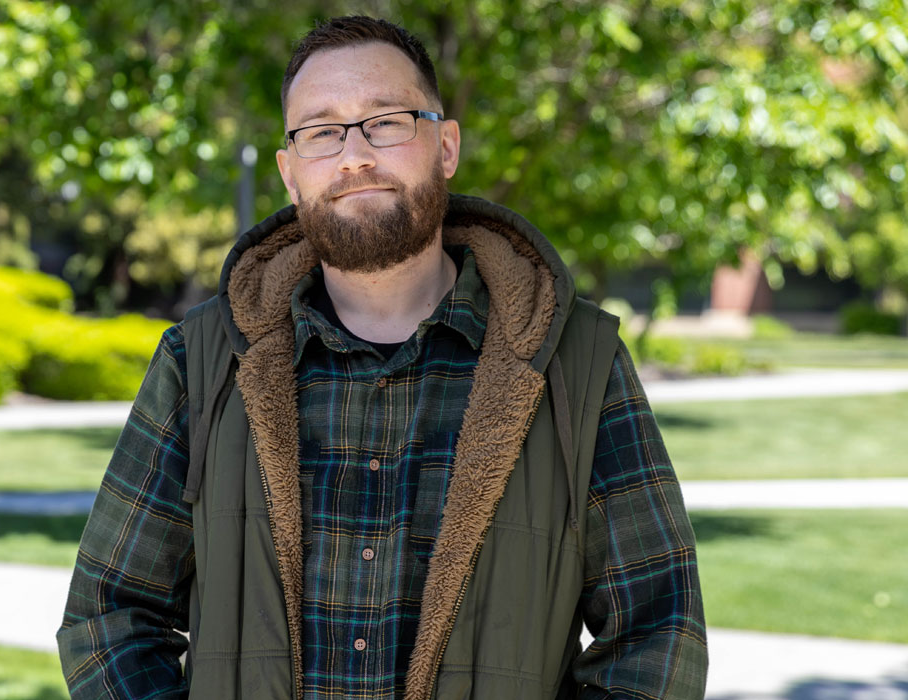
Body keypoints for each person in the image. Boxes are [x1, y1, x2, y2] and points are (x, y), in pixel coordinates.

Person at [58, 15, 707, 700]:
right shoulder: (200, 362)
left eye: (386, 121)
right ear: (289, 171)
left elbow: (656, 636)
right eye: (321, 131)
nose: (354, 155)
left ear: (446, 146)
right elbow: (110, 616)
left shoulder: (577, 362)